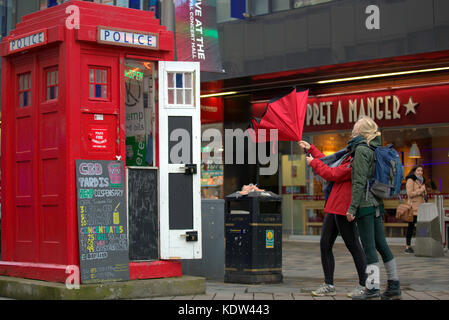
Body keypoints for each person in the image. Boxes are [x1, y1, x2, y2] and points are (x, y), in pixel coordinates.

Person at [299, 140, 367, 298]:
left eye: (355, 134)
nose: (351, 138)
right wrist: (312, 149)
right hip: (334, 205)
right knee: (325, 244)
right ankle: (329, 284)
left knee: (353, 245)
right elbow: (329, 164)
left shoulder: (357, 159)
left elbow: (332, 174)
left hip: (344, 207)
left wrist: (313, 162)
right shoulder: (347, 155)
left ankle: (365, 285)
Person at [346, 116, 402, 300]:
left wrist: (352, 208)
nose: (352, 131)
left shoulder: (361, 149)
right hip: (377, 203)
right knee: (381, 245)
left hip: (365, 205)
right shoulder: (375, 148)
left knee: (369, 247)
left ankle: (372, 288)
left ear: (361, 132)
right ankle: (394, 285)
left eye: (355, 128)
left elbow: (359, 181)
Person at [404, 165, 427, 254]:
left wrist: (424, 191)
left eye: (421, 171)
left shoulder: (422, 181)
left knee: (422, 227)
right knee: (411, 226)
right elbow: (409, 194)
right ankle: (408, 246)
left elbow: (424, 193)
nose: (420, 172)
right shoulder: (410, 180)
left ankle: (422, 246)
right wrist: (421, 190)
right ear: (414, 171)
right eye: (418, 170)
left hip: (421, 207)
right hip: (413, 208)